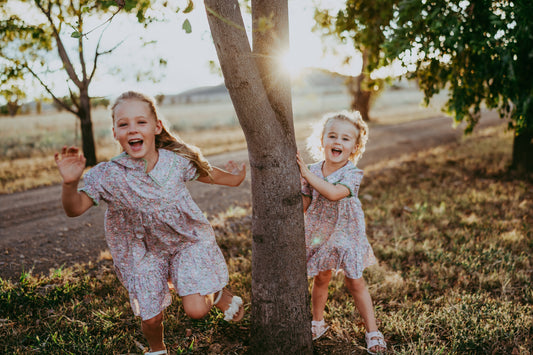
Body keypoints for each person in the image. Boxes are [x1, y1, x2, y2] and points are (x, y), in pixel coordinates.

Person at [54, 91, 246, 355]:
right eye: (124, 124)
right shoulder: (109, 175)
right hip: (142, 250)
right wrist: (69, 183)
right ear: (115, 133)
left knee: (197, 310)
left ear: (156, 127)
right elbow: (74, 209)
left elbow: (215, 177)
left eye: (141, 122)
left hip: (185, 241)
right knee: (151, 315)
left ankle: (218, 293)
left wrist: (236, 177)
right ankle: (157, 350)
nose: (132, 129)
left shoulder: (176, 162)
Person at [296, 111, 387, 354]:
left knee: (354, 281)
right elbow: (304, 204)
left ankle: (373, 331)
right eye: (332, 136)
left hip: (348, 233)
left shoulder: (351, 173)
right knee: (322, 277)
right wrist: (299, 185)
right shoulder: (312, 170)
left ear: (355, 147)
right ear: (322, 140)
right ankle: (317, 322)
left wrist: (306, 175)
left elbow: (334, 193)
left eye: (345, 139)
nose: (338, 142)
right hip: (321, 233)